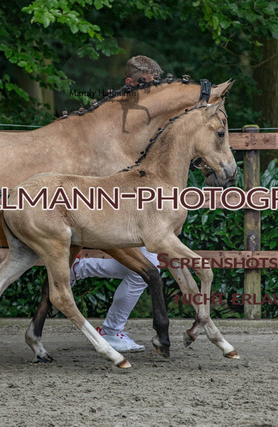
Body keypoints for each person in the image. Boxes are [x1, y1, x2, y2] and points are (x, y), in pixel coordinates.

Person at [70, 56, 163, 353]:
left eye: (155, 84)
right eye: (147, 84)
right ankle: (111, 330)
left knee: (142, 268)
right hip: (117, 197)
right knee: (146, 268)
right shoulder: (118, 112)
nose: (153, 90)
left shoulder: (142, 112)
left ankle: (79, 270)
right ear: (130, 82)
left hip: (133, 195)